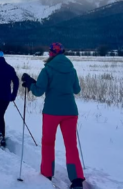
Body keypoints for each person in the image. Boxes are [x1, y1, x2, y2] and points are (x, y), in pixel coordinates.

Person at [21, 42, 85, 189]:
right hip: (70, 112)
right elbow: (76, 90)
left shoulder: (47, 70)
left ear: (51, 53)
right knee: (71, 146)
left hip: (51, 112)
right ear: (62, 53)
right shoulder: (71, 69)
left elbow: (38, 91)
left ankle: (47, 174)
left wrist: (30, 84)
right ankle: (76, 180)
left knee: (48, 143)